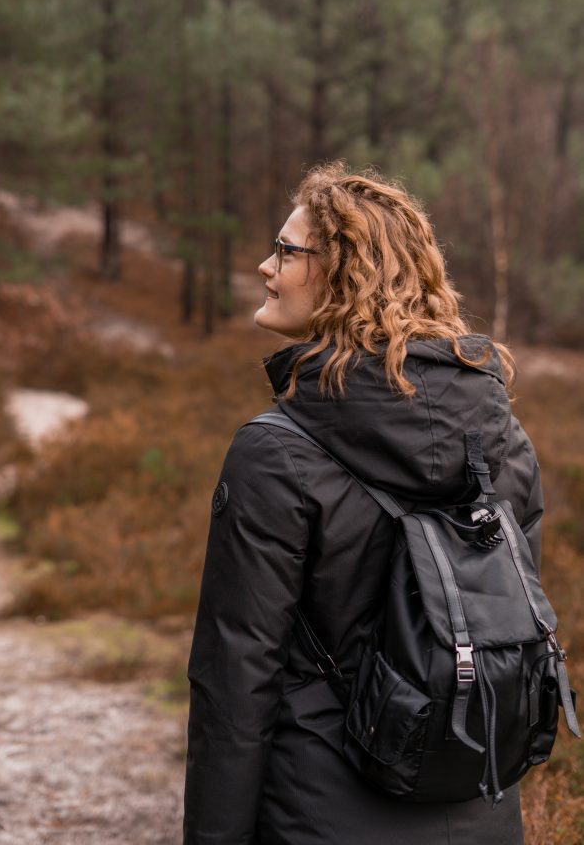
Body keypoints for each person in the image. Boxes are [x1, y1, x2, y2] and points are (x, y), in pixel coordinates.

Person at [184, 161, 541, 845]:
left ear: (345, 274)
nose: (265, 266)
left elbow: (235, 680)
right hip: (479, 811)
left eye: (286, 251)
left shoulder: (273, 452)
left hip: (315, 813)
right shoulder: (502, 440)